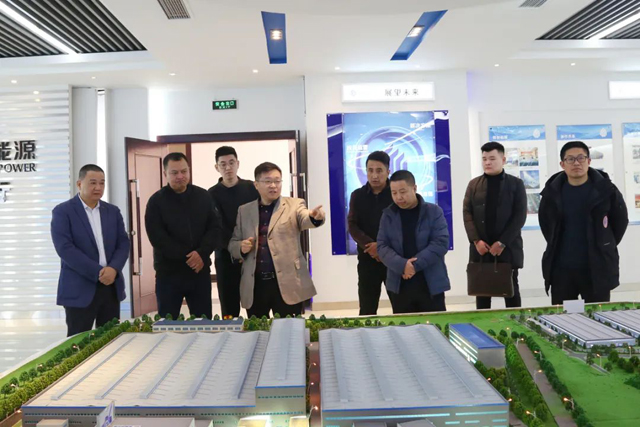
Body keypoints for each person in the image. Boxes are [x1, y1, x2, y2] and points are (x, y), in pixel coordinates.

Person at [228, 162, 324, 318]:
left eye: (277, 181)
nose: (273, 185)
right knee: (258, 330)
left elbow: (304, 217)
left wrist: (315, 218)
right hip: (256, 285)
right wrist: (240, 247)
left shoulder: (295, 205)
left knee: (289, 329)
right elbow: (233, 243)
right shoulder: (244, 211)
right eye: (268, 181)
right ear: (256, 185)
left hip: (288, 284)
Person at [539, 141, 628, 304]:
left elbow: (620, 221)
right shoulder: (552, 192)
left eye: (581, 158)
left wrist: (605, 243)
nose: (576, 163)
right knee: (565, 315)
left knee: (597, 315)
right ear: (562, 164)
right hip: (562, 269)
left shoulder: (606, 190)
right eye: (570, 159)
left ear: (589, 161)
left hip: (596, 267)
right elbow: (546, 223)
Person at [51, 164, 130, 336]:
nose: (98, 187)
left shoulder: (112, 211)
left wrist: (113, 269)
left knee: (110, 339)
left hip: (110, 286)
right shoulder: (63, 212)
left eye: (102, 183)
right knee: (78, 341)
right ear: (79, 184)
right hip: (79, 287)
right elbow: (65, 249)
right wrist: (99, 272)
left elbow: (123, 244)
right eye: (93, 183)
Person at [145, 152, 219, 320]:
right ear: (165, 174)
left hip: (199, 271)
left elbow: (215, 228)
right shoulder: (156, 202)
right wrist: (190, 258)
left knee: (203, 323)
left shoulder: (203, 196)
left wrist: (201, 253)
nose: (180, 176)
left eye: (184, 171)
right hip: (169, 273)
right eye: (174, 173)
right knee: (168, 324)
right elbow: (157, 237)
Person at [463, 142, 527, 309]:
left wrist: (502, 242)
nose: (487, 163)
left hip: (507, 247)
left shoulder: (516, 184)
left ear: (503, 160)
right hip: (481, 248)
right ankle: (481, 324)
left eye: (492, 158)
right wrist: (476, 241)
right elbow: (467, 214)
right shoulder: (474, 185)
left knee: (511, 289)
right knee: (481, 291)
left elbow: (519, 217)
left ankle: (516, 321)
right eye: (484, 159)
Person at [377, 170, 450, 313]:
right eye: (394, 193)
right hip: (400, 284)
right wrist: (402, 265)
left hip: (430, 283)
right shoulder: (388, 215)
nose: (398, 197)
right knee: (403, 325)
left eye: (403, 192)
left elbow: (440, 243)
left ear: (414, 188)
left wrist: (413, 266)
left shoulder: (434, 212)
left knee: (435, 325)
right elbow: (382, 246)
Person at [208, 146, 259, 318]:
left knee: (255, 306)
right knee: (229, 309)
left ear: (238, 164)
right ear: (217, 167)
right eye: (223, 164)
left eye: (231, 163)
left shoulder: (252, 188)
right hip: (225, 256)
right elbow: (213, 227)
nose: (228, 167)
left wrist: (248, 245)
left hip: (252, 254)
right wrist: (234, 247)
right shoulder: (211, 194)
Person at [347, 151, 393, 315]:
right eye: (370, 170)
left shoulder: (395, 194)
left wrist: (382, 248)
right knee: (367, 308)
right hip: (368, 259)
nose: (374, 175)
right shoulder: (357, 195)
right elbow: (352, 225)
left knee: (402, 306)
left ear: (388, 171)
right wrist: (371, 247)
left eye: (379, 170)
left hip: (394, 259)